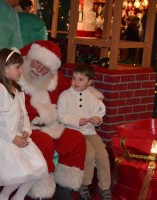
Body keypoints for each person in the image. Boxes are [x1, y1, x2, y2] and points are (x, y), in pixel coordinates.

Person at [0, 40, 105, 199]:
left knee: (76, 139)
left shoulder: (54, 79)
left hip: (51, 125)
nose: (39, 70)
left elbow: (74, 91)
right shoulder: (11, 75)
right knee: (44, 142)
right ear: (29, 58)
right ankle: (40, 193)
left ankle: (64, 192)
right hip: (25, 128)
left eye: (45, 69)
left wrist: (93, 98)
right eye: (38, 63)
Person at [0, 48, 48, 200]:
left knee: (40, 167)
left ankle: (18, 197)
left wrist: (26, 131)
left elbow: (24, 115)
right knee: (20, 171)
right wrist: (13, 139)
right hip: (3, 139)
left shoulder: (18, 90)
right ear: (5, 69)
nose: (21, 70)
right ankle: (4, 196)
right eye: (17, 67)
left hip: (19, 137)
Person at [57, 64, 111, 200]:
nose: (76, 82)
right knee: (90, 153)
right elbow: (61, 116)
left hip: (90, 132)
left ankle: (105, 187)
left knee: (103, 156)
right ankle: (84, 184)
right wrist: (77, 120)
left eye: (81, 79)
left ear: (89, 82)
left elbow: (98, 115)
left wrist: (97, 120)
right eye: (74, 78)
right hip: (72, 131)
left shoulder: (92, 98)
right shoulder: (65, 95)